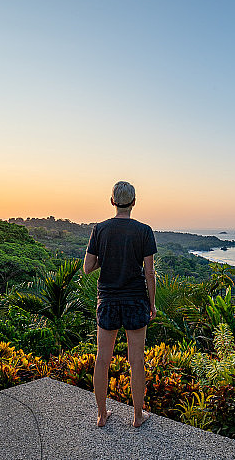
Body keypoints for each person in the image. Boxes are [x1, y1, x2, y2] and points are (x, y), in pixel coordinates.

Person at [83, 181, 157, 428]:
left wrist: (108, 258)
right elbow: (149, 273)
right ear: (134, 202)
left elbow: (87, 267)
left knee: (102, 359)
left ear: (112, 201)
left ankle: (102, 415)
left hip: (108, 300)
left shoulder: (100, 229)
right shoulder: (144, 230)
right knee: (136, 360)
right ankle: (137, 416)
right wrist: (152, 305)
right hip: (136, 300)